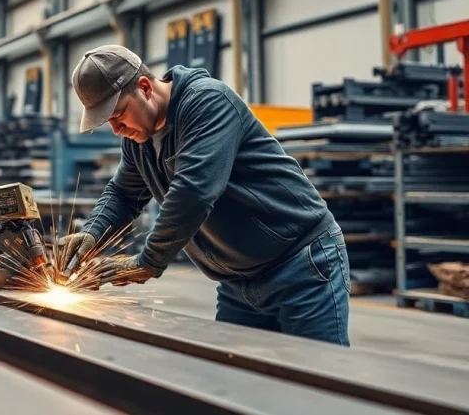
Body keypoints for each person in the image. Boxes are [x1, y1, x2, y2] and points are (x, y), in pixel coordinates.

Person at [61, 45, 351, 346]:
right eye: (107, 122)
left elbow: (193, 193)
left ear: (145, 88)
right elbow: (123, 193)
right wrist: (91, 234)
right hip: (238, 282)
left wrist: (148, 262)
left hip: (300, 265)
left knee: (318, 371)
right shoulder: (138, 141)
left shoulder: (207, 102)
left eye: (118, 114)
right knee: (233, 373)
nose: (116, 129)